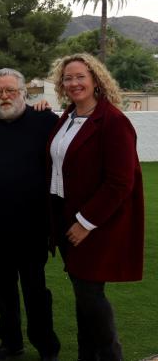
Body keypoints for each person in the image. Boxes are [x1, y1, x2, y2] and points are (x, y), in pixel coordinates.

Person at [47, 53, 144, 361]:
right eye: (68, 78)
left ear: (96, 80)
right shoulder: (68, 116)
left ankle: (112, 356)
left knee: (90, 294)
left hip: (95, 225)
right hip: (65, 218)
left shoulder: (113, 121)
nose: (74, 83)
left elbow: (120, 182)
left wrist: (85, 222)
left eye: (80, 77)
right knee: (83, 294)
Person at [0, 69, 60, 361]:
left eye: (10, 90)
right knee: (1, 288)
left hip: (32, 226)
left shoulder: (45, 121)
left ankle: (46, 347)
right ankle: (11, 343)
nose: (4, 96)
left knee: (35, 290)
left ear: (24, 93)